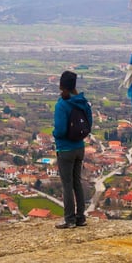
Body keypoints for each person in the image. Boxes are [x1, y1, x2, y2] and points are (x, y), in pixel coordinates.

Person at [52, 70, 92, 229]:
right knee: (77, 182)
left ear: (61, 85)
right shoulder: (83, 101)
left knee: (67, 184)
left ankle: (69, 219)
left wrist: (54, 133)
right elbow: (88, 124)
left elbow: (60, 130)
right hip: (79, 147)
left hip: (65, 149)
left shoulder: (62, 104)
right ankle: (81, 217)